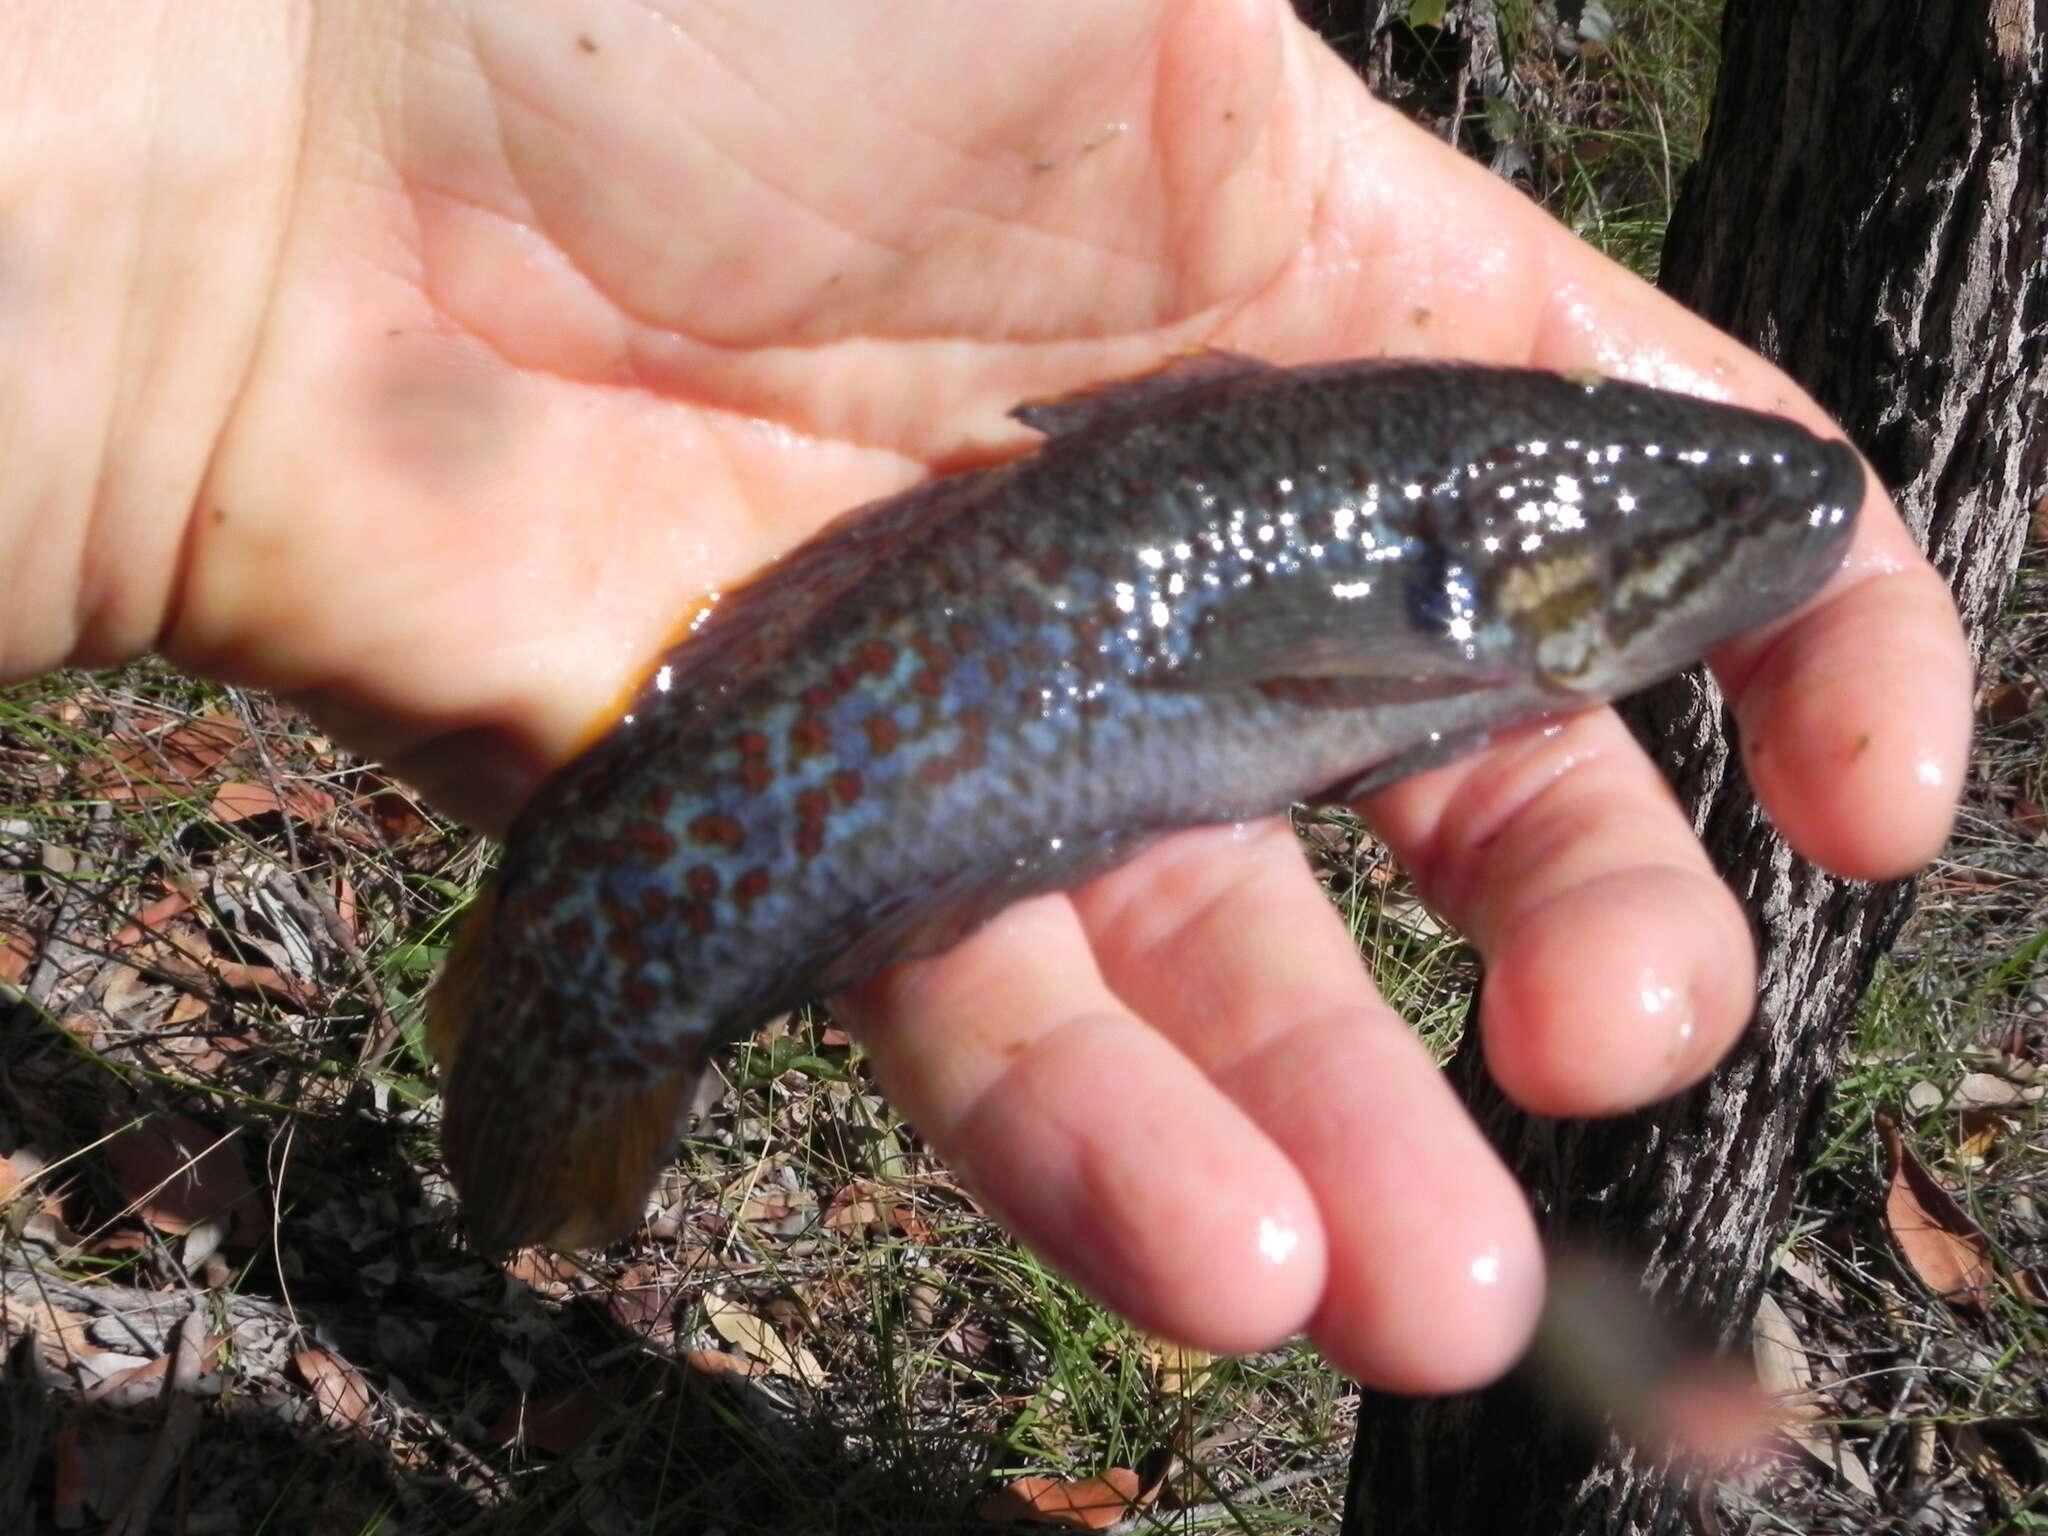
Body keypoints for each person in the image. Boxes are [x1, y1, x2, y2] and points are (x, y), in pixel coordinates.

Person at [0, 3, 1968, 1394]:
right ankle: (591, 1009)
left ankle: (586, 1030)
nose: (1762, 519)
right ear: (1497, 573)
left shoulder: (1473, 572)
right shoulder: (1449, 593)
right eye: (1695, 508)